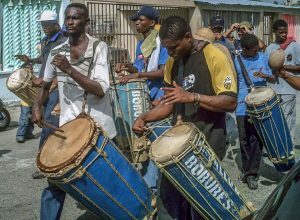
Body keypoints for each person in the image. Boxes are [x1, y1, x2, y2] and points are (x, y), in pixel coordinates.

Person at [133, 15, 237, 220]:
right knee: (168, 205)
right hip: (178, 147)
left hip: (207, 145)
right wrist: (144, 118)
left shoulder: (214, 56)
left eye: (174, 47)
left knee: (200, 210)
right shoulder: (173, 62)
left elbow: (230, 101)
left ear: (188, 37)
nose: (170, 53)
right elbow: (169, 103)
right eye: (167, 49)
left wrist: (192, 97)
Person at [32, 3, 117, 220]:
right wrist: (37, 107)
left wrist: (69, 69)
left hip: (98, 128)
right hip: (69, 129)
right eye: (67, 18)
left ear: (86, 22)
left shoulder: (98, 47)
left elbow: (99, 90)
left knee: (107, 186)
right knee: (55, 184)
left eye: (76, 18)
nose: (70, 22)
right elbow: (44, 85)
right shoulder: (57, 51)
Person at [16, 10, 65, 179]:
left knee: (49, 124)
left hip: (55, 88)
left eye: (47, 24)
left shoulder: (63, 40)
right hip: (45, 87)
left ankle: (45, 164)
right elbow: (44, 61)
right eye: (42, 24)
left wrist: (51, 85)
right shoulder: (45, 42)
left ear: (55, 24)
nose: (44, 27)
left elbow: (61, 68)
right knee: (45, 123)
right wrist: (30, 60)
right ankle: (47, 161)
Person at [234, 33, 276, 190]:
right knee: (244, 140)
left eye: (257, 49)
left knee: (257, 140)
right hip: (241, 106)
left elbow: (273, 79)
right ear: (245, 49)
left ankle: (252, 173)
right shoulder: (236, 60)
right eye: (253, 50)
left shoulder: (264, 57)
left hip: (261, 105)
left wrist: (264, 75)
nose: (256, 52)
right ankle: (247, 170)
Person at [116, 5, 168, 101]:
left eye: (141, 20)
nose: (137, 23)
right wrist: (127, 67)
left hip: (160, 93)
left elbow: (163, 72)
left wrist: (139, 75)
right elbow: (138, 70)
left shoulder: (162, 42)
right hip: (144, 90)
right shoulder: (140, 44)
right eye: (136, 20)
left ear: (152, 23)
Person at [265, 19, 300, 143]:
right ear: (274, 32)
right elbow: (267, 69)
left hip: (289, 89)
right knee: (275, 120)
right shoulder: (270, 48)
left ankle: (288, 148)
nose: (284, 35)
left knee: (288, 120)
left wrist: (283, 67)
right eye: (281, 32)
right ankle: (279, 147)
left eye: (285, 32)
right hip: (273, 90)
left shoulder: (294, 46)